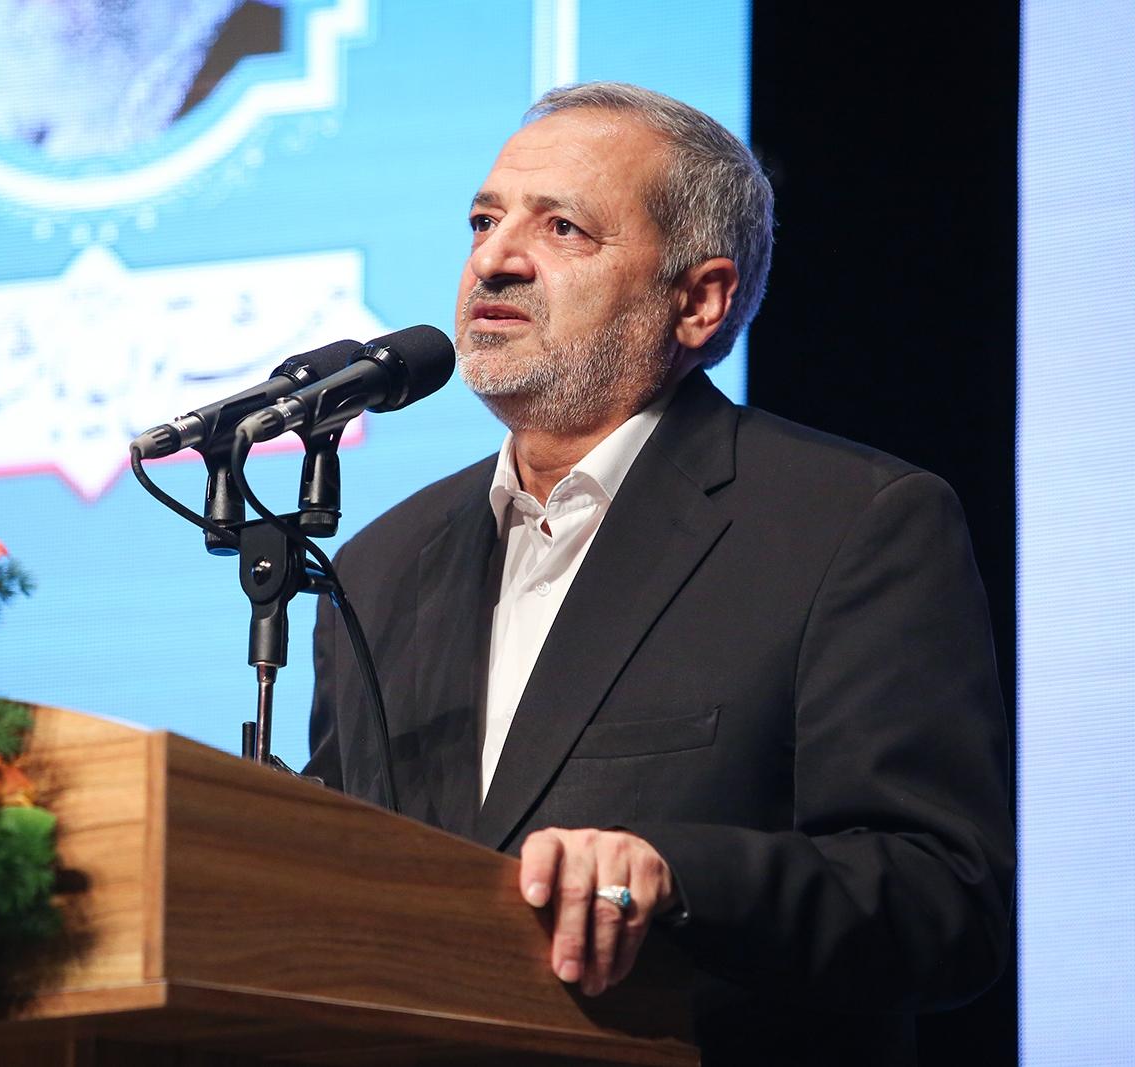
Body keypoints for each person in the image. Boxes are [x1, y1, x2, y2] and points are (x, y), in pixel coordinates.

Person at [304, 81, 1013, 1065]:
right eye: (484, 220)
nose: (495, 258)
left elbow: (941, 900)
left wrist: (677, 878)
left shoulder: (850, 524)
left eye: (562, 227)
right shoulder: (380, 567)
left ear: (699, 300)